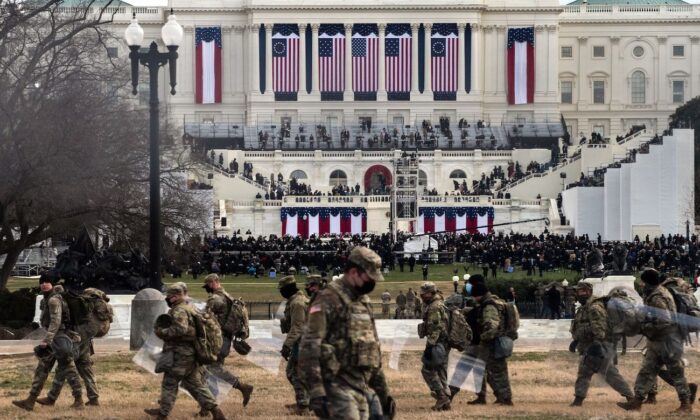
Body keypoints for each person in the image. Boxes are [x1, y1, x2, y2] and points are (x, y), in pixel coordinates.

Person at [298, 247, 395, 420]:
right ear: (353, 272)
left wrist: (383, 394)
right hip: (336, 386)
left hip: (361, 387)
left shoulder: (363, 301)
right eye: (369, 278)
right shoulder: (328, 298)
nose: (373, 282)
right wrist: (317, 392)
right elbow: (309, 346)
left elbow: (373, 351)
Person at [144, 284, 226, 420]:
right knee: (195, 385)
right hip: (190, 354)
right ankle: (216, 412)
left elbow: (180, 330)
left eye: (169, 297)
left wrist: (161, 332)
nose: (168, 299)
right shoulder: (190, 307)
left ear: (175, 296)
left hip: (180, 354)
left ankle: (162, 414)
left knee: (169, 383)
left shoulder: (179, 310)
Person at [618, 269, 693, 413]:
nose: (640, 284)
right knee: (646, 371)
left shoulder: (658, 296)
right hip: (657, 341)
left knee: (676, 373)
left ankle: (686, 404)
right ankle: (637, 402)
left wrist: (644, 326)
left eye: (642, 281)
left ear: (647, 282)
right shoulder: (653, 294)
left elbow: (665, 320)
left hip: (668, 341)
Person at [12, 277, 83, 411]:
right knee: (42, 368)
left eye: (47, 282)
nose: (44, 285)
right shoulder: (48, 298)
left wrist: (47, 340)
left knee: (69, 370)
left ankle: (78, 400)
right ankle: (30, 401)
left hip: (60, 339)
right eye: (42, 282)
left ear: (52, 284)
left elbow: (55, 322)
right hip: (56, 339)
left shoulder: (53, 300)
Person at [569, 282, 633, 407]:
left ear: (588, 291)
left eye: (581, 291)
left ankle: (578, 400)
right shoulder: (585, 307)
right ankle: (631, 398)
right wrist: (576, 340)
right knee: (599, 373)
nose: (578, 294)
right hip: (590, 346)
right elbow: (583, 326)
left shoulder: (594, 307)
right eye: (578, 291)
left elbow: (599, 327)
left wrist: (597, 345)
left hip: (597, 346)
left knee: (596, 373)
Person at [202, 274, 254, 407]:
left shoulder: (215, 298)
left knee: (211, 368)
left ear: (214, 282)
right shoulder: (227, 296)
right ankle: (209, 405)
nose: (206, 289)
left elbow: (204, 319)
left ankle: (242, 387)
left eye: (207, 285)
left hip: (217, 340)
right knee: (212, 371)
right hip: (226, 340)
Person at [469, 277, 513, 406]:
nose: (473, 299)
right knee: (492, 372)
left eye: (474, 296)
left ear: (479, 295)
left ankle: (506, 399)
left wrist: (483, 337)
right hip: (495, 342)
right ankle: (501, 397)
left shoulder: (489, 306)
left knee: (498, 372)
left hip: (494, 343)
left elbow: (492, 327)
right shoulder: (493, 302)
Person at [278, 275, 310, 414]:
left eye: (282, 290)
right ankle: (307, 402)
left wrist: (287, 346)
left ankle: (303, 407)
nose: (280, 292)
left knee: (294, 373)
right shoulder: (295, 300)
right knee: (295, 373)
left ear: (288, 289)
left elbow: (297, 326)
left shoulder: (297, 303)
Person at [418, 282, 451, 411]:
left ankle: (441, 396)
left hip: (437, 343)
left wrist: (430, 346)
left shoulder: (434, 307)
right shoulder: (438, 303)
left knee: (427, 369)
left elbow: (435, 327)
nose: (421, 295)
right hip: (443, 343)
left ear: (431, 293)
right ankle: (446, 401)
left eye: (424, 293)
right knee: (441, 370)